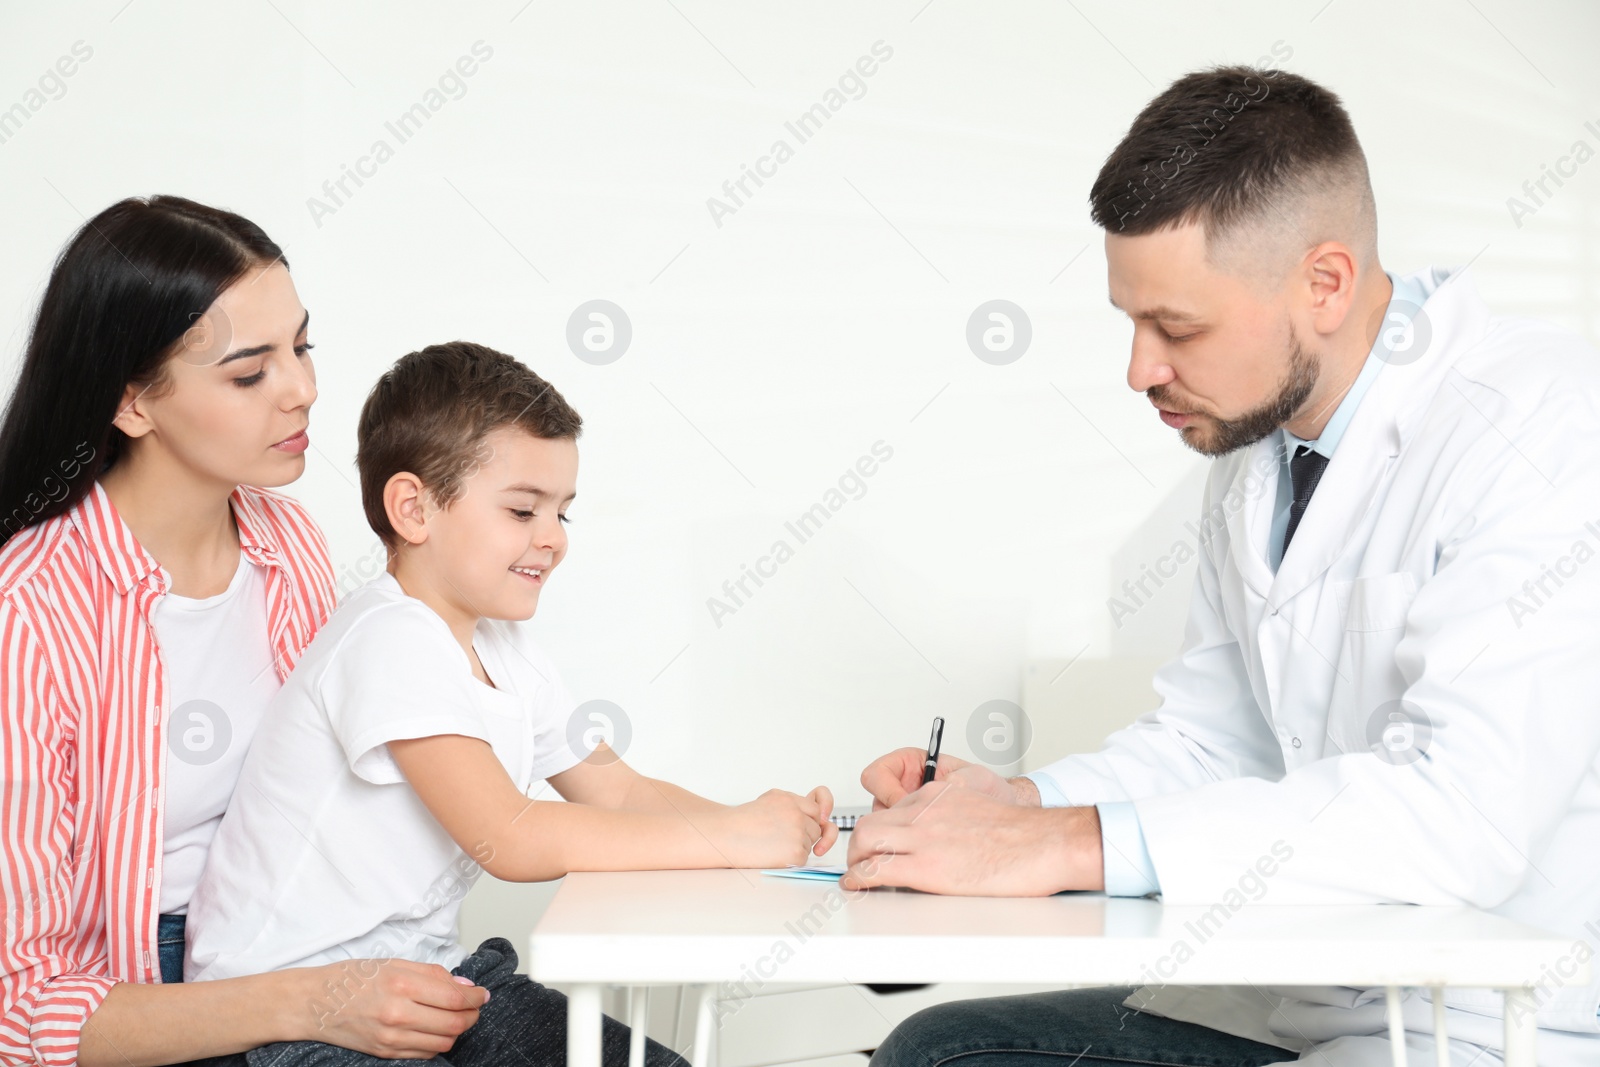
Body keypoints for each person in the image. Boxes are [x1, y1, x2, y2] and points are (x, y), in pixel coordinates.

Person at [849, 66, 1600, 1067]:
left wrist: (1065, 846)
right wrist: (1015, 807)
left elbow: (1461, 813)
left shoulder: (1542, 430)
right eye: (1130, 321)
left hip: (1497, 1021)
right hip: (1301, 995)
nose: (1139, 368)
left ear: (1323, 282)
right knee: (942, 1049)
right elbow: (1217, 740)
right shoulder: (1256, 448)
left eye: (1178, 327)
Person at [184, 341, 838, 1066]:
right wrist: (732, 840)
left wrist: (751, 824)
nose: (553, 539)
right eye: (523, 509)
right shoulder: (388, 639)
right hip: (294, 1020)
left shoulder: (502, 645)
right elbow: (510, 837)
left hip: (427, 977)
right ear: (413, 508)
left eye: (563, 512)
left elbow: (614, 788)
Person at [0, 197, 496, 1067]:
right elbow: (18, 1004)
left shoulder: (287, 540)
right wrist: (311, 1001)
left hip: (312, 935)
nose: (302, 388)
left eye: (301, 346)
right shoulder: (29, 615)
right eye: (248, 371)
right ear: (132, 402)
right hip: (150, 994)